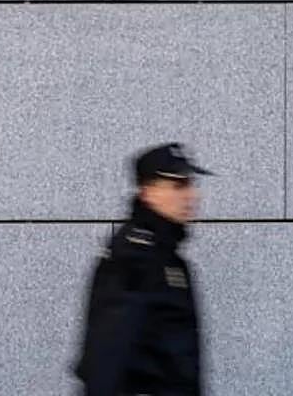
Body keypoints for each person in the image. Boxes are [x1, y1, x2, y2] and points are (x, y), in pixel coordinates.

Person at [74, 142, 212, 396]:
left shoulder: (167, 258)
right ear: (148, 192)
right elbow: (107, 358)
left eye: (191, 184)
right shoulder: (133, 258)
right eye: (178, 185)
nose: (192, 195)